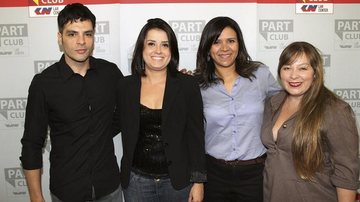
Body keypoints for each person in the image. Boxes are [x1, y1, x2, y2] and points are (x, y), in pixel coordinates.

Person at [20, 3, 123, 202]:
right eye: (72, 34)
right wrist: (36, 197)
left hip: (109, 187)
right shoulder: (44, 83)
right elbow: (32, 144)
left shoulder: (110, 73)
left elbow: (134, 102)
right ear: (60, 38)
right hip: (67, 191)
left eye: (88, 34)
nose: (81, 41)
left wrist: (174, 78)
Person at [114, 18, 206, 202]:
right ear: (141, 48)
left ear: (172, 51)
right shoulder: (126, 86)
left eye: (165, 45)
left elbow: (196, 136)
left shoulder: (188, 85)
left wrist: (198, 182)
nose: (158, 51)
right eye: (151, 44)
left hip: (178, 183)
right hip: (136, 183)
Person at [194, 16, 280, 202]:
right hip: (214, 174)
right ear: (208, 47)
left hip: (255, 174)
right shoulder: (197, 85)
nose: (225, 48)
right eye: (217, 42)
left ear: (239, 44)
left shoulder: (260, 74)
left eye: (231, 41)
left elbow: (286, 102)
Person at [261, 41, 359, 202]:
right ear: (280, 72)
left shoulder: (335, 110)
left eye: (303, 68)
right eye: (287, 68)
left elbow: (346, 172)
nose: (293, 75)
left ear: (315, 72)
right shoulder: (272, 103)